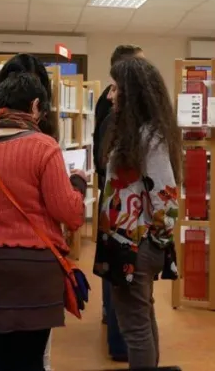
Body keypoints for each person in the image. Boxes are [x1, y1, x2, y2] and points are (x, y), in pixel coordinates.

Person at [0, 72, 86, 371]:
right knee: (29, 359)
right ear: (36, 106)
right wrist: (78, 183)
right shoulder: (44, 147)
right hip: (34, 268)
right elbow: (70, 214)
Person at [94, 57, 180, 369]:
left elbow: (166, 198)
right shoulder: (137, 134)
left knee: (134, 327)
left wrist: (153, 242)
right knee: (141, 318)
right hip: (127, 242)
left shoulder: (148, 137)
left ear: (131, 94)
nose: (110, 95)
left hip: (135, 244)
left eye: (116, 89)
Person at [93, 44, 143, 362]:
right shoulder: (112, 109)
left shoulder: (122, 107)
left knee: (115, 276)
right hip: (120, 206)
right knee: (120, 278)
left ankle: (114, 327)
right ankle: (119, 343)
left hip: (117, 203)